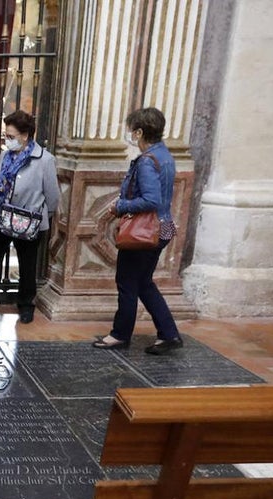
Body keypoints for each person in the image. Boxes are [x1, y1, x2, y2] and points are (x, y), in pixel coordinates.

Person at [93, 107, 182, 354]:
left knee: (127, 283)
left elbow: (151, 199)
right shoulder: (164, 155)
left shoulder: (146, 161)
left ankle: (119, 335)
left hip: (145, 231)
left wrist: (120, 206)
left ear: (140, 132)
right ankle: (169, 334)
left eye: (132, 131)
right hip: (163, 227)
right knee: (143, 283)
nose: (130, 135)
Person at [0, 110, 60, 323]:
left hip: (28, 220)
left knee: (27, 264)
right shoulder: (5, 156)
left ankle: (26, 305)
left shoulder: (45, 160)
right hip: (1, 216)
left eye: (11, 136)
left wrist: (40, 215)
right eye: (6, 136)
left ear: (25, 135)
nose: (7, 140)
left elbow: (53, 196)